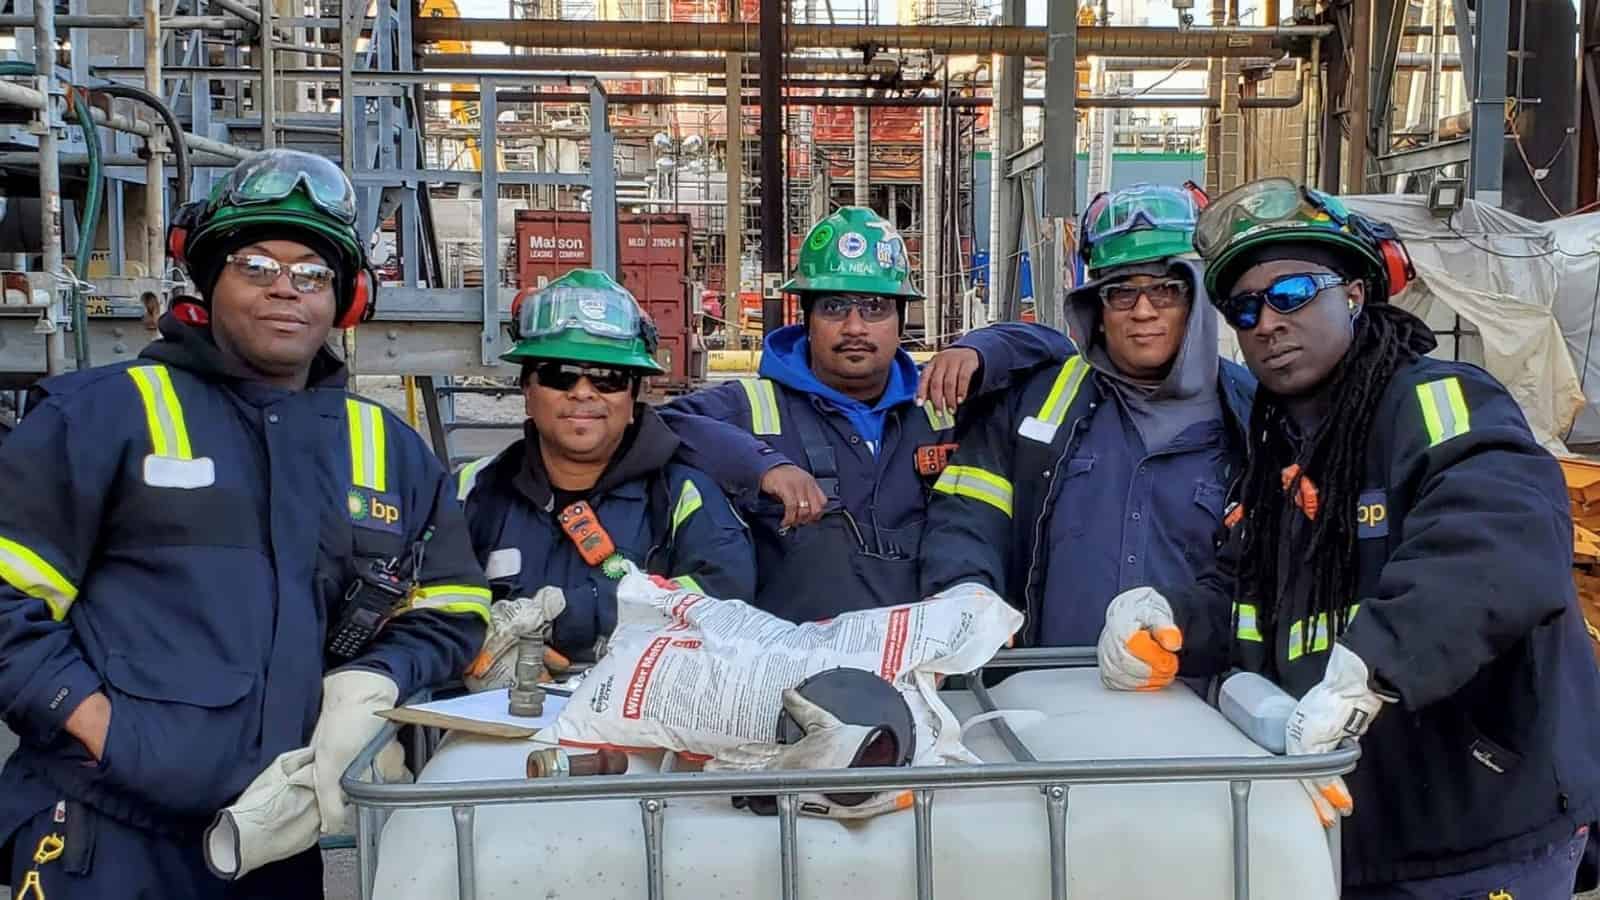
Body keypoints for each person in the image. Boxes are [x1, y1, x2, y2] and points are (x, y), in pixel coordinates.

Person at [0, 149, 490, 897]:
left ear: (347, 299)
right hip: (105, 836)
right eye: (256, 266)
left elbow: (454, 603)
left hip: (271, 839)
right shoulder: (100, 416)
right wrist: (96, 724)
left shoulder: (385, 448)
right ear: (209, 281)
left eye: (313, 274)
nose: (285, 289)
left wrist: (378, 675)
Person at [1097, 177, 1600, 896]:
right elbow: (1247, 599)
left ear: (1356, 295)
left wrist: (1377, 663)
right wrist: (1170, 619)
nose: (1267, 322)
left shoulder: (1439, 405)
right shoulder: (1279, 454)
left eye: (1293, 293)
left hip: (1478, 835)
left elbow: (1499, 540)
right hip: (1350, 831)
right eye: (1245, 308)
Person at [662, 206, 1072, 622]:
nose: (855, 327)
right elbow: (661, 426)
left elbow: (1057, 349)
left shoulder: (943, 405)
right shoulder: (754, 408)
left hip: (927, 654)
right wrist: (764, 466)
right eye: (834, 307)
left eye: (875, 307)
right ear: (807, 320)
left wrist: (980, 348)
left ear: (900, 320)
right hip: (796, 656)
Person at [919, 183, 1253, 647]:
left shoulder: (1253, 415)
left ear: (1197, 299)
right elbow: (967, 515)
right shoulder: (1034, 403)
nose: (1142, 311)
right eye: (1121, 293)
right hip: (1042, 681)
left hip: (1189, 686)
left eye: (1165, 290)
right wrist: (967, 591)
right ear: (1097, 308)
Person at [456, 269, 756, 662]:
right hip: (494, 700)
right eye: (559, 375)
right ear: (527, 390)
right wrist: (477, 647)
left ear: (633, 397)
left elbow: (725, 599)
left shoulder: (682, 497)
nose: (582, 393)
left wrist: (575, 613)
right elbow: (425, 600)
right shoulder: (473, 490)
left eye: (608, 378)